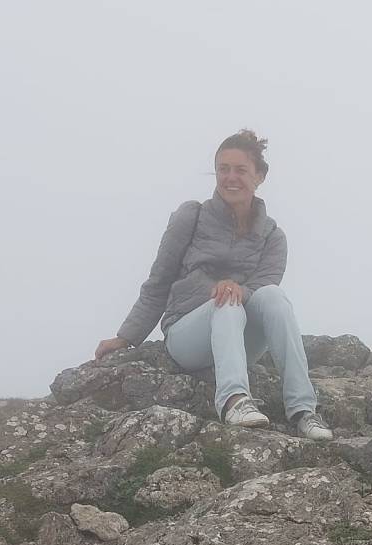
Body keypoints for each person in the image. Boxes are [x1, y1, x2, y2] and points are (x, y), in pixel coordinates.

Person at [95, 130, 332, 441]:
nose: (231, 177)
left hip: (240, 340)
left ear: (259, 176)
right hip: (187, 335)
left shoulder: (273, 236)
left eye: (241, 170)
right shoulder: (191, 216)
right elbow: (159, 280)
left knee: (273, 296)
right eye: (223, 169)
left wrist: (239, 289)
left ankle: (303, 411)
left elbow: (264, 285)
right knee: (227, 303)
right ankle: (234, 400)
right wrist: (125, 337)